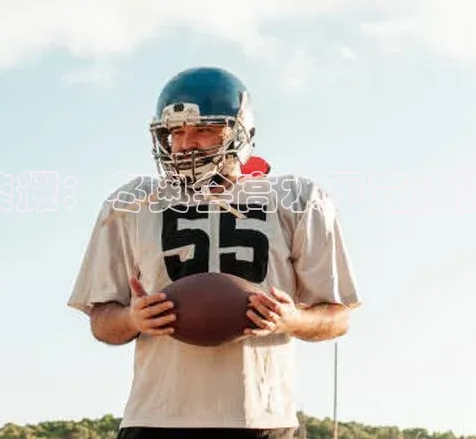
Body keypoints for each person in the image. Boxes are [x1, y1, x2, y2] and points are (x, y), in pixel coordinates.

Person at [67, 66, 361, 439]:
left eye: (203, 129)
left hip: (261, 419)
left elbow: (338, 316)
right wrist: (133, 319)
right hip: (157, 419)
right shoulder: (132, 202)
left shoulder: (297, 199)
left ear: (240, 132)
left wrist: (291, 319)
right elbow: (102, 322)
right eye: (175, 131)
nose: (186, 143)